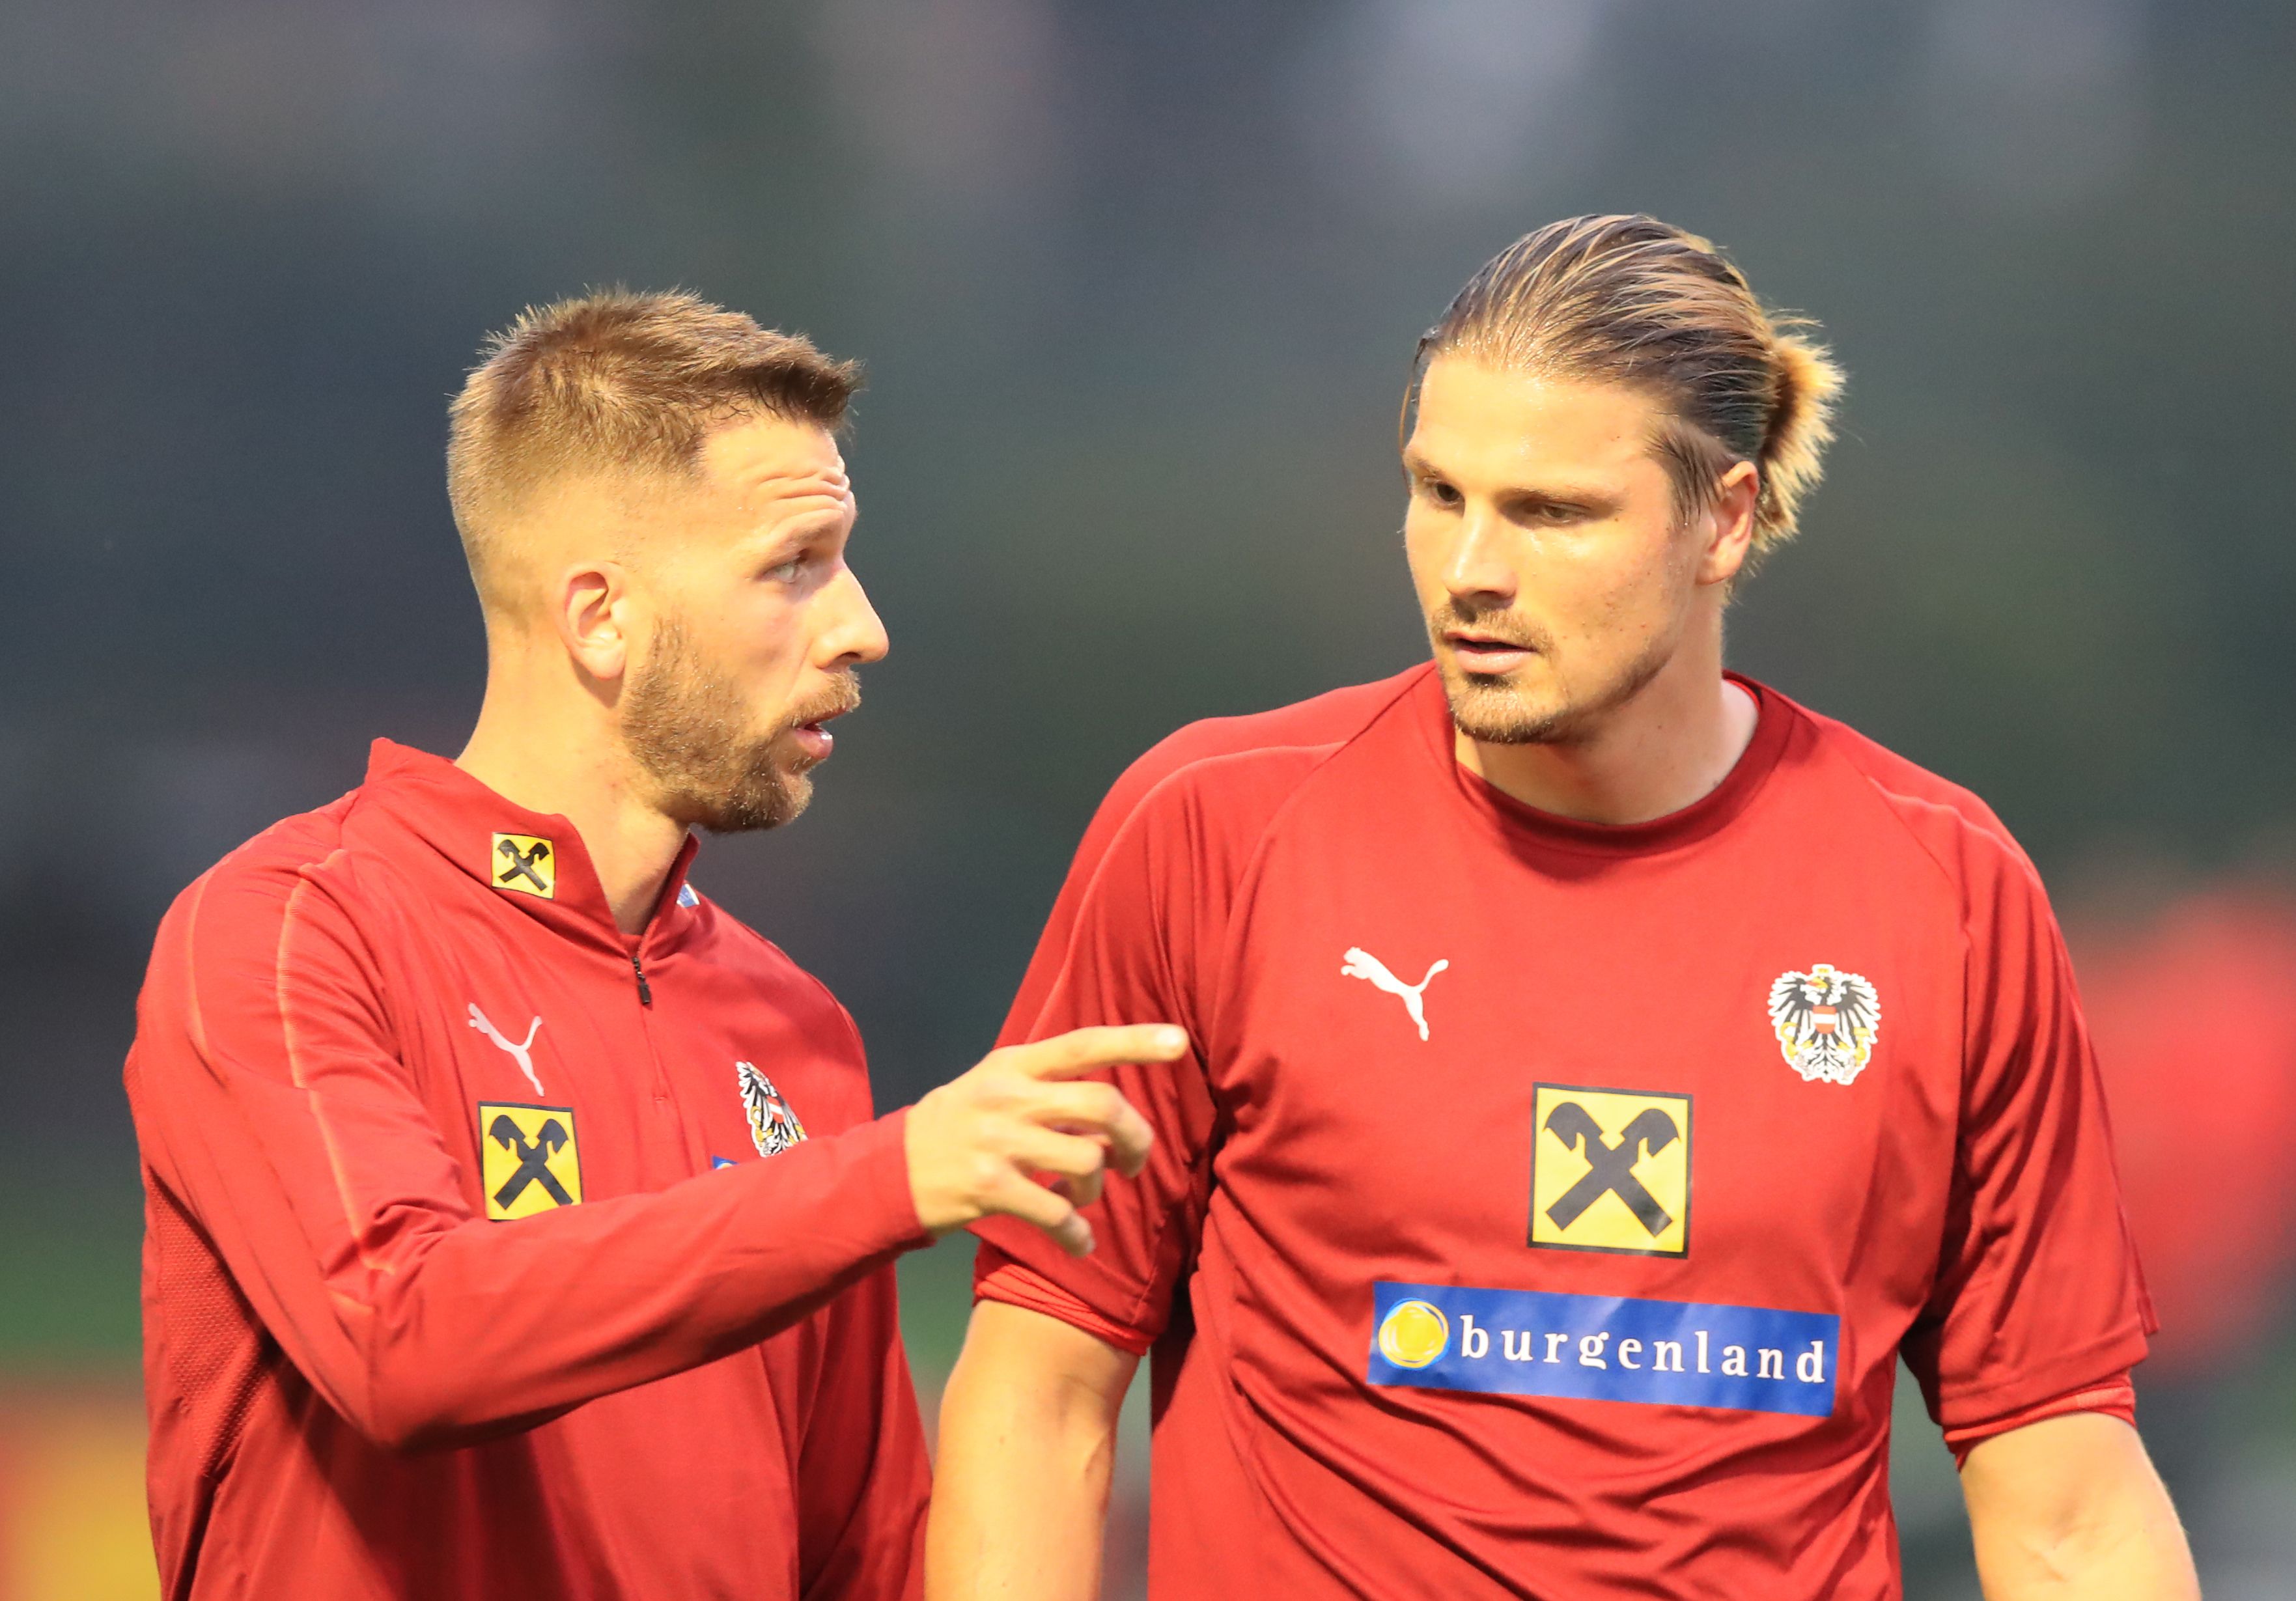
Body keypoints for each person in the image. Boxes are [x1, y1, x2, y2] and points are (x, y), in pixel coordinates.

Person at [927, 217, 2200, 1600]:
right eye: (1436, 493)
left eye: (1550, 513)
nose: (1469, 568)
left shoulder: (1946, 895)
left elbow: (2063, 1494)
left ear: (1722, 516)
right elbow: (1040, 1392)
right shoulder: (1212, 834)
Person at [124, 290, 1184, 1601]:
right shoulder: (291, 928)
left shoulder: (797, 1032)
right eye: (795, 564)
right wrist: (888, 1176)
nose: (861, 626)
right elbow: (397, 1336)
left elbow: (860, 1562)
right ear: (600, 620)